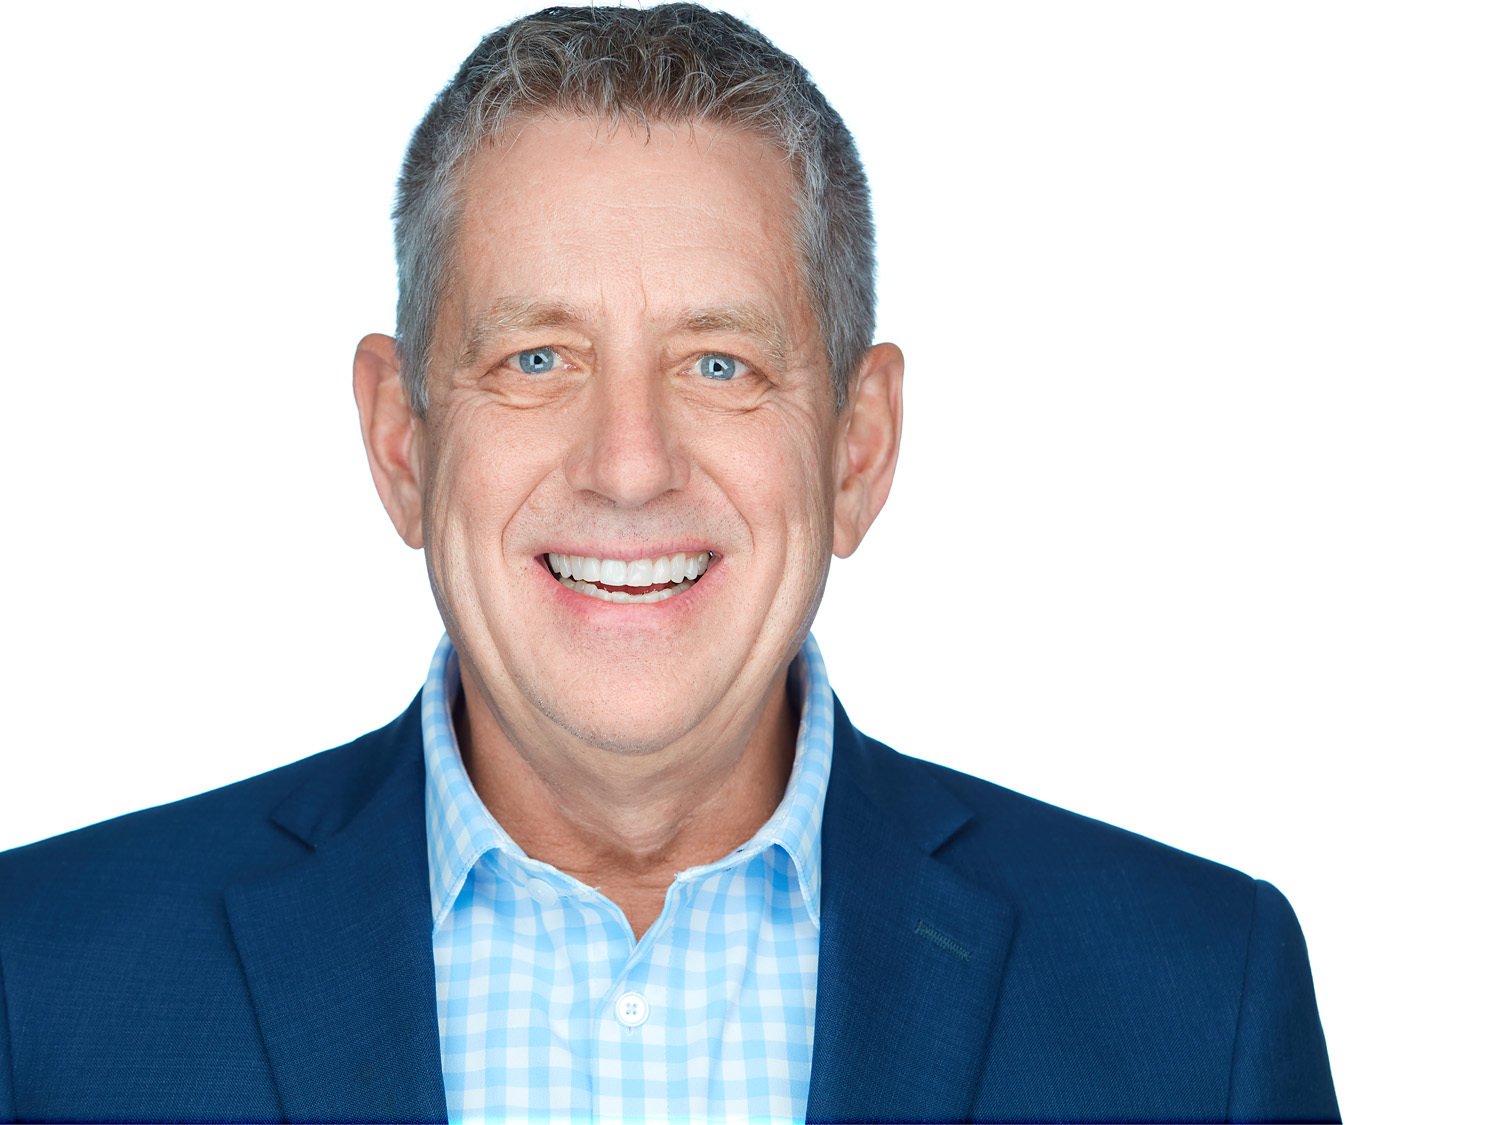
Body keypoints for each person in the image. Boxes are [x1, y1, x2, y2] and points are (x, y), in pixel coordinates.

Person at [0, 5, 1338, 1121]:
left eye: (720, 364)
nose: (629, 465)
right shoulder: (41, 989)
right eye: (537, 358)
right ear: (403, 439)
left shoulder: (1199, 1009)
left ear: (858, 448)